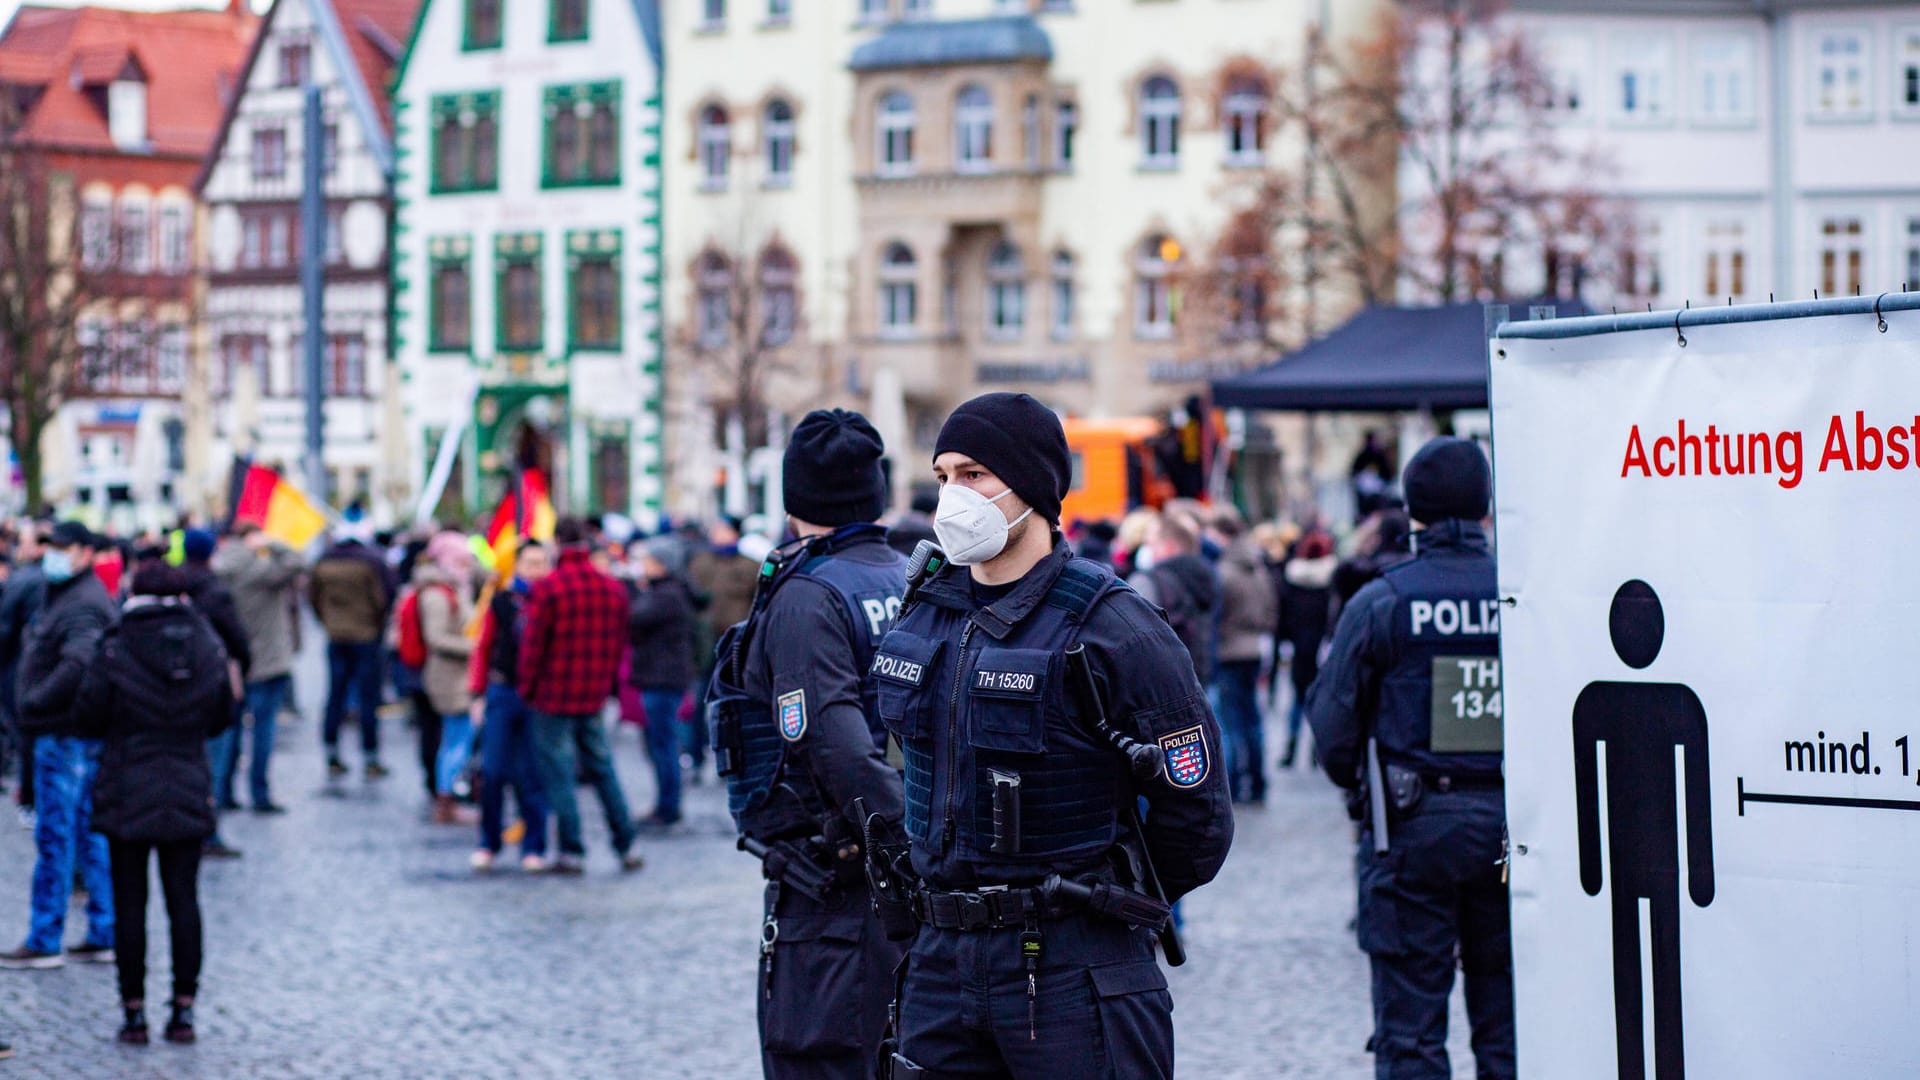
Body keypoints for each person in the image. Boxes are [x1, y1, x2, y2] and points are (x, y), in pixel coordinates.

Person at [876, 393, 1234, 1076]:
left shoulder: (1113, 625)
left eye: (975, 475)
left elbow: (1200, 815)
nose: (954, 495)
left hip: (1071, 964)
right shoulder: (923, 611)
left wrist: (1106, 907)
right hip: (939, 964)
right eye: (945, 474)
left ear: (1032, 486)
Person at [707, 409, 909, 1079]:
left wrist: (908, 851)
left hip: (836, 889)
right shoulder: (911, 575)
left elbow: (837, 748)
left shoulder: (807, 595)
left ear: (796, 499)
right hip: (903, 886)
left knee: (821, 1058)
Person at [1306, 436, 1513, 1080]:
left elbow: (1332, 728)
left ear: (1412, 509)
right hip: (1517, 830)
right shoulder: (1524, 596)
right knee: (1512, 1028)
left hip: (1410, 829)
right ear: (1485, 506)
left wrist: (1360, 791)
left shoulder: (1383, 601)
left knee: (1410, 1036)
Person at [71, 562, 234, 1046]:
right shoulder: (206, 644)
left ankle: (133, 1012)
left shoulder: (117, 644)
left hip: (128, 783)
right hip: (186, 778)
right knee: (184, 901)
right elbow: (223, 714)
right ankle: (184, 1011)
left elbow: (89, 713)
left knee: (130, 903)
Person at [0, 523, 117, 970]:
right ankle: (101, 930)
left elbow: (79, 663)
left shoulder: (82, 601)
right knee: (86, 836)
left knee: (58, 837)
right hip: (69, 732)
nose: (54, 555)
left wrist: (34, 699)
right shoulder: (67, 592)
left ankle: (46, 935)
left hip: (64, 733)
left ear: (85, 553)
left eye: (64, 549)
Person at [519, 517, 644, 875]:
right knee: (603, 769)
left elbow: (533, 648)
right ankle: (627, 843)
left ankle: (572, 850)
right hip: (593, 693)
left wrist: (528, 689)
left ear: (558, 542)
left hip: (553, 695)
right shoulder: (613, 589)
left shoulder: (549, 589)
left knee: (560, 774)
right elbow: (620, 643)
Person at [467, 541, 551, 871]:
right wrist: (477, 693)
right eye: (530, 563)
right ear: (517, 566)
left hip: (538, 695)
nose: (536, 570)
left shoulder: (551, 600)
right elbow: (484, 646)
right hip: (502, 690)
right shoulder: (501, 601)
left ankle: (535, 845)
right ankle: (489, 841)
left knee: (532, 774)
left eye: (542, 563)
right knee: (492, 771)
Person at [211, 523, 305, 813]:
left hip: (233, 663)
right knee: (263, 731)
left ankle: (223, 790)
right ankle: (259, 793)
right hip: (268, 661)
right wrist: (272, 542)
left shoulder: (220, 566)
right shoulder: (260, 571)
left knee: (231, 730)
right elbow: (298, 561)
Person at [177, 528, 251, 858]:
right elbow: (237, 639)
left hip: (177, 686)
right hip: (212, 687)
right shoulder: (215, 590)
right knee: (215, 763)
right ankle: (208, 831)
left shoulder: (174, 586)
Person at [311, 526, 395, 779]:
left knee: (335, 695)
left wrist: (327, 622)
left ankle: (331, 751)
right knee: (368, 698)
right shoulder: (371, 562)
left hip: (336, 636)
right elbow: (383, 599)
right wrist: (377, 626)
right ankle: (370, 757)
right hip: (366, 636)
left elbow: (313, 598)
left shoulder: (323, 561)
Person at [626, 539, 695, 829]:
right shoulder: (667, 592)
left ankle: (667, 807)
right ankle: (666, 804)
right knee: (660, 743)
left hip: (662, 678)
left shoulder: (666, 595)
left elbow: (635, 619)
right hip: (661, 677)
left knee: (663, 744)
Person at [1212, 509, 1278, 804]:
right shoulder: (1257, 568)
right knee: (1253, 719)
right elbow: (1270, 612)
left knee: (1231, 722)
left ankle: (1235, 785)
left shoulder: (1224, 571)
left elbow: (1217, 616)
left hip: (1228, 651)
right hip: (1254, 649)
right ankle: (1259, 780)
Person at [686, 517, 758, 778]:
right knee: (695, 706)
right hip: (703, 646)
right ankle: (694, 758)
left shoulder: (751, 567)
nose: (717, 534)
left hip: (736, 648)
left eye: (723, 530)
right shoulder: (700, 562)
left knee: (734, 706)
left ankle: (735, 759)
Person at [416, 532, 476, 824]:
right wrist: (474, 648)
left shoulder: (454, 588)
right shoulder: (437, 595)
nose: (467, 566)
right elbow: (436, 638)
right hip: (449, 678)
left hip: (458, 676)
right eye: (461, 560)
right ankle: (446, 799)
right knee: (456, 740)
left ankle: (448, 795)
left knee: (457, 738)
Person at [1129, 510, 1218, 689]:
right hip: (1201, 673)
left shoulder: (1150, 581)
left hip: (1164, 684)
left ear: (1168, 545)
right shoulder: (1210, 575)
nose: (1147, 550)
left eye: (1151, 544)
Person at [1277, 527, 1337, 769]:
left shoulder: (1292, 579)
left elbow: (1283, 617)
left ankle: (1291, 748)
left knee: (1297, 701)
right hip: (1322, 649)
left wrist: (1284, 643)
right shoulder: (1330, 582)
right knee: (1318, 702)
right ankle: (1316, 751)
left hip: (1299, 648)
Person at [0, 522, 46, 821]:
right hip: (28, 667)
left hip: (18, 668)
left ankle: (29, 796)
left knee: (23, 732)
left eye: (25, 541)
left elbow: (4, 629)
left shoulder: (25, 579)